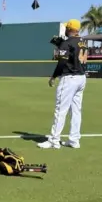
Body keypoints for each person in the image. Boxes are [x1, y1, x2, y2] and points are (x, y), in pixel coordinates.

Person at [37, 19, 87, 149]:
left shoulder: (66, 43)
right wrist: (62, 46)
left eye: (66, 27)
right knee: (76, 110)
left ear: (70, 29)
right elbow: (74, 54)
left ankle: (54, 140)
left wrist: (53, 77)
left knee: (61, 109)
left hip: (69, 78)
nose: (65, 29)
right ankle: (74, 140)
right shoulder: (83, 42)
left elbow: (62, 62)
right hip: (81, 77)